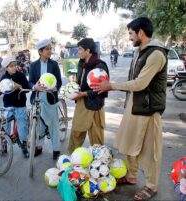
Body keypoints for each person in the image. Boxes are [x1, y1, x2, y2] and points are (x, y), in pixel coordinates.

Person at [92, 17, 168, 201]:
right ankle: (132, 176)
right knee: (126, 143)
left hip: (149, 109)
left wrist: (111, 85)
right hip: (134, 106)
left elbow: (141, 83)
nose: (129, 37)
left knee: (150, 150)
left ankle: (151, 186)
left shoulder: (156, 54)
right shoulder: (139, 52)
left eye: (131, 34)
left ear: (141, 32)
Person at [67, 38, 109, 154]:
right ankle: (73, 159)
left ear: (88, 50)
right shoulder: (82, 64)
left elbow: (103, 90)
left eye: (80, 49)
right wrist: (72, 90)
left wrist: (85, 93)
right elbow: (79, 82)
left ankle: (99, 162)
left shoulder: (100, 66)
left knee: (96, 139)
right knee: (76, 133)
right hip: (81, 103)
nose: (78, 52)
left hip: (95, 105)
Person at [29, 39, 62, 160]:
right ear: (40, 51)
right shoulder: (33, 65)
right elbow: (30, 81)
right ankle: (39, 146)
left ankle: (56, 149)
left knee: (53, 125)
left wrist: (54, 88)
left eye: (50, 48)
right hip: (38, 97)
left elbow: (59, 81)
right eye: (47, 49)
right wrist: (34, 86)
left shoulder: (54, 64)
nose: (49, 51)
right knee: (39, 124)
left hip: (50, 97)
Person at [0, 56, 30, 158]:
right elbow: (1, 90)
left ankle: (24, 146)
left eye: (14, 65)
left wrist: (20, 86)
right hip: (8, 105)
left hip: (20, 105)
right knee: (4, 125)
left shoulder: (21, 75)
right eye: (11, 66)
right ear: (6, 68)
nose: (14, 68)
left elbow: (27, 87)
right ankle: (4, 146)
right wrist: (2, 88)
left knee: (22, 126)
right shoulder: (4, 78)